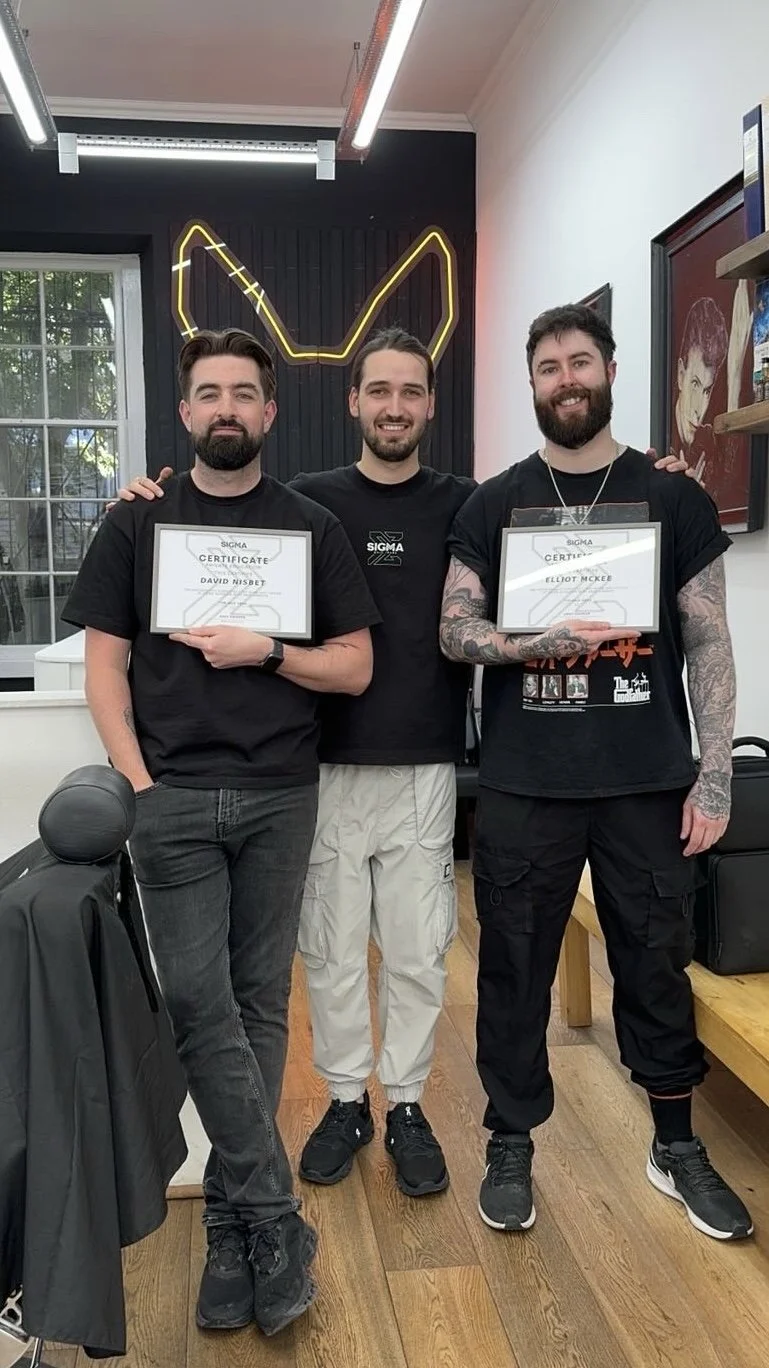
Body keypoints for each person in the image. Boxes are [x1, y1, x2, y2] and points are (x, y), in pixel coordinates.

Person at [119, 331, 695, 1205]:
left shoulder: (475, 505)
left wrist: (654, 474)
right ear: (351, 402)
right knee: (334, 953)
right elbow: (213, 521)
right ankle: (345, 1099)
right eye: (377, 391)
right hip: (317, 768)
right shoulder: (301, 504)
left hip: (428, 765)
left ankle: (409, 1105)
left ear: (431, 405)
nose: (394, 406)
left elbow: (574, 526)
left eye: (411, 393)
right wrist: (149, 491)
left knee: (423, 950)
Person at [62, 328, 380, 1338]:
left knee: (254, 1006)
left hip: (283, 793)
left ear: (271, 411)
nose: (229, 406)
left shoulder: (312, 528)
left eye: (247, 390)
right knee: (200, 1003)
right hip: (174, 799)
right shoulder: (135, 527)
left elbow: (354, 668)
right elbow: (104, 666)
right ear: (188, 413)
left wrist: (267, 651)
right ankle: (280, 1220)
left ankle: (232, 1233)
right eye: (211, 393)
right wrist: (138, 780)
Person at [440, 303, 753, 1243]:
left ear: (609, 369)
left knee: (655, 963)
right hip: (526, 782)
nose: (565, 378)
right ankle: (510, 1139)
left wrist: (714, 777)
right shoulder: (492, 503)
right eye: (547, 367)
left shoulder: (673, 497)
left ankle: (673, 1142)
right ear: (529, 383)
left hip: (647, 778)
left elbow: (708, 639)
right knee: (512, 971)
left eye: (580, 361)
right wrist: (529, 642)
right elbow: (453, 631)